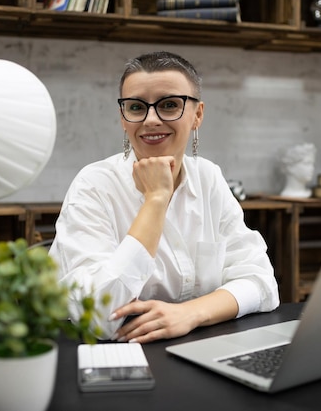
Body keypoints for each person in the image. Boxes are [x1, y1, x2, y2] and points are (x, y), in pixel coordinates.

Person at [49, 51, 280, 344]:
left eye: (170, 105)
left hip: (195, 343)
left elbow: (262, 284)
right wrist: (156, 199)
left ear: (198, 115)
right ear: (123, 118)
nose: (151, 119)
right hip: (112, 352)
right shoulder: (93, 185)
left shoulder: (208, 178)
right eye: (136, 107)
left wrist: (190, 313)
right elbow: (100, 315)